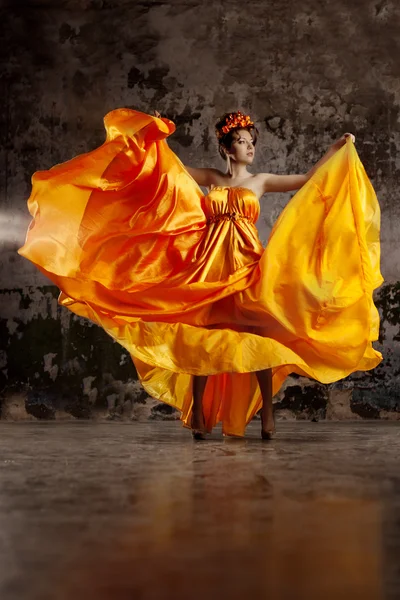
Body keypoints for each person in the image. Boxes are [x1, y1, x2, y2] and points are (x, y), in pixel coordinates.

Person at [18, 107, 383, 441]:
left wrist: (337, 149)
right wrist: (154, 135)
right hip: (208, 263)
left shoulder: (261, 181)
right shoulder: (211, 178)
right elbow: (167, 170)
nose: (249, 147)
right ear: (227, 148)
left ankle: (267, 418)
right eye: (241, 142)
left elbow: (307, 179)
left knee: (254, 338)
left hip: (245, 265)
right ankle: (198, 416)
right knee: (202, 338)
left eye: (251, 142)